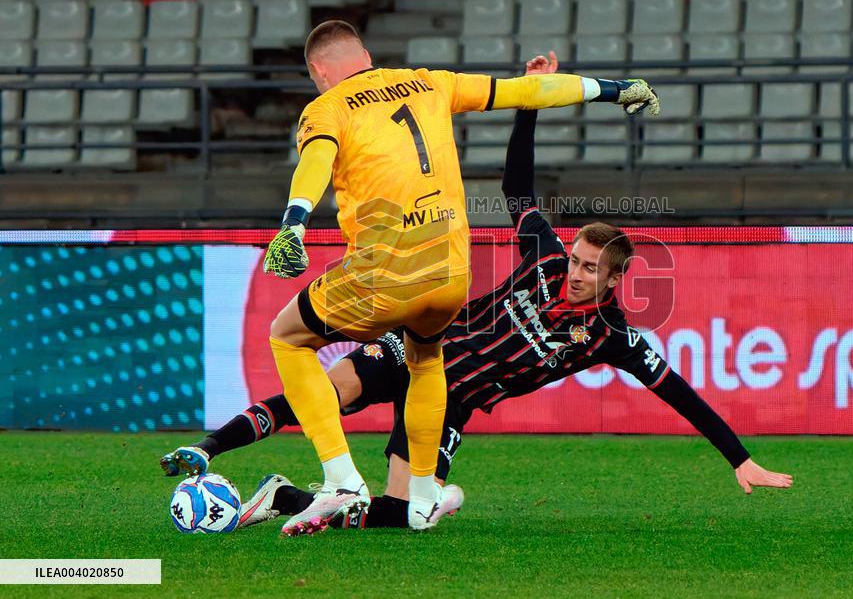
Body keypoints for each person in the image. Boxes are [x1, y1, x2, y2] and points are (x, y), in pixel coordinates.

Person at [166, 52, 791, 531]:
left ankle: (285, 497)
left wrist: (740, 460)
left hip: (450, 403)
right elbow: (518, 188)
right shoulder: (545, 259)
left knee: (405, 517)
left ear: (613, 279)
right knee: (323, 395)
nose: (575, 272)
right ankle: (210, 448)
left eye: (589, 268)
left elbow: (680, 393)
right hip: (417, 347)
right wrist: (530, 105)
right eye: (576, 259)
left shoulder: (611, 337)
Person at [261, 22, 660, 534]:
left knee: (287, 336)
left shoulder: (327, 107)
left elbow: (315, 161)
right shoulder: (430, 82)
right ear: (366, 54)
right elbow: (529, 90)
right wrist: (614, 89)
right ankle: (423, 494)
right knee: (426, 359)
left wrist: (294, 222)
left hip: (385, 274)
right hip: (450, 275)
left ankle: (340, 479)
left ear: (318, 70)